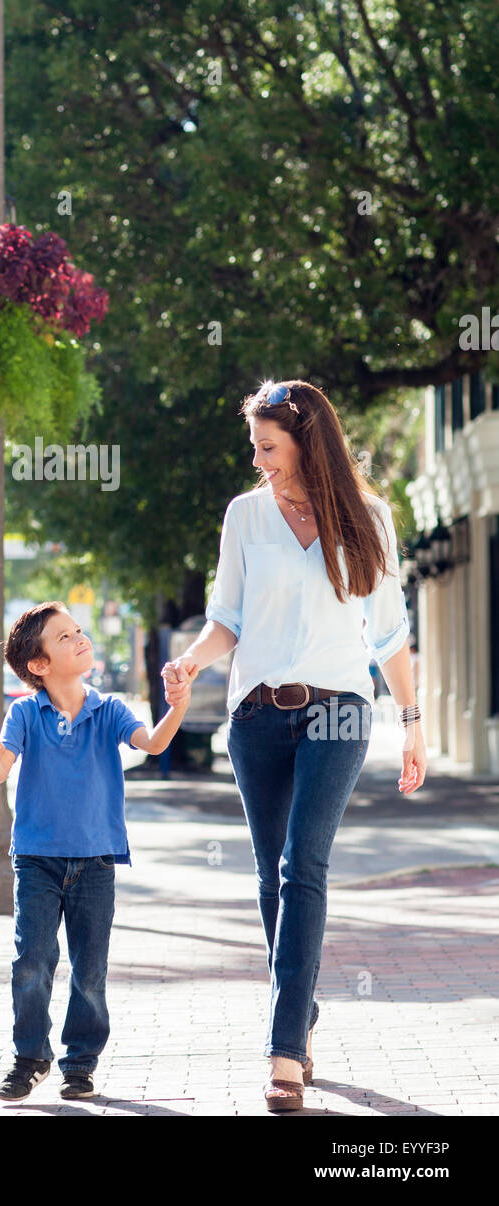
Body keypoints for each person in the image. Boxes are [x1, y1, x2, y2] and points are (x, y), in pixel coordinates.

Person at [163, 379, 426, 1114]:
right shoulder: (246, 516)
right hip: (257, 718)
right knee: (271, 872)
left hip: (339, 712)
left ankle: (283, 1052)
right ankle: (300, 1013)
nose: (260, 460)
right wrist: (194, 661)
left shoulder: (368, 517)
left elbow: (390, 633)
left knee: (302, 864)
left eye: (269, 446)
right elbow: (227, 619)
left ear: (308, 441)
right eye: (255, 447)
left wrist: (412, 720)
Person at [0, 601, 196, 1101]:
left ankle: (80, 1062)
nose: (80, 638)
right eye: (63, 637)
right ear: (39, 665)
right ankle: (30, 1056)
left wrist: (177, 703)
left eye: (78, 631)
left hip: (97, 859)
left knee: (89, 968)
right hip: (36, 859)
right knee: (31, 959)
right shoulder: (25, 714)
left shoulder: (110, 710)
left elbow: (155, 744)